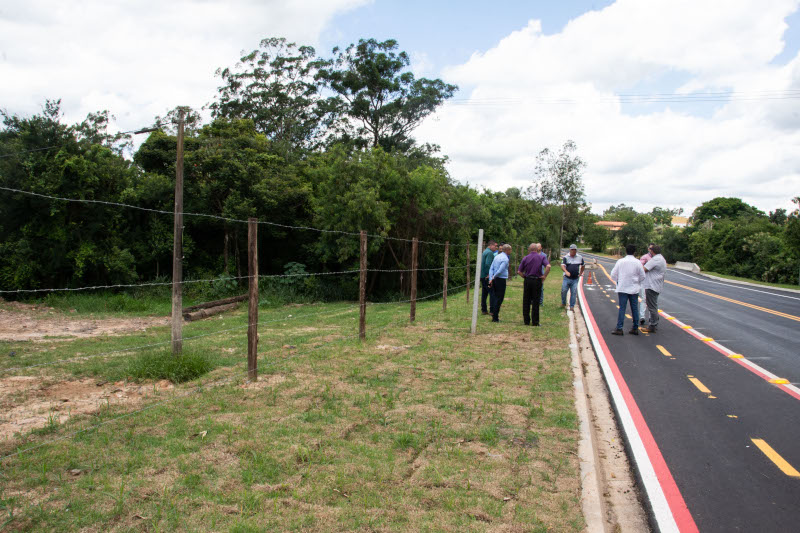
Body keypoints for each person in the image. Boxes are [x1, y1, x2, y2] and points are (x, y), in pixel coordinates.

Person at [610, 244, 646, 335]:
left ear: (626, 251)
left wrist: (619, 280)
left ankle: (619, 328)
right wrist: (636, 282)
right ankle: (635, 327)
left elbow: (613, 274)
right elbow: (643, 276)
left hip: (622, 287)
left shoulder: (620, 261)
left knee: (622, 308)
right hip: (634, 288)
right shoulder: (638, 262)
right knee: (634, 308)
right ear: (634, 252)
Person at [518, 243, 551, 326]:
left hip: (528, 279)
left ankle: (526, 321)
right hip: (537, 280)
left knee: (526, 300)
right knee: (536, 301)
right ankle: (535, 322)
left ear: (529, 249)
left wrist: (524, 276)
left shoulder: (525, 258)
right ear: (537, 249)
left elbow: (519, 271)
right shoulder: (541, 257)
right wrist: (544, 276)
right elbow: (548, 266)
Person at [640, 245, 667, 333]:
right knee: (654, 306)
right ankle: (654, 323)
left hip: (651, 285)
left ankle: (652, 325)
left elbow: (644, 269)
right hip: (657, 285)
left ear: (652, 251)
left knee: (652, 307)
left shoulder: (655, 260)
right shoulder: (662, 258)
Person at [488, 244, 511, 322]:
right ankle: (495, 317)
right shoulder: (505, 259)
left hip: (494, 279)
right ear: (507, 250)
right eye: (510, 250)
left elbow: (491, 268)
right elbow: (500, 270)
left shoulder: (497, 256)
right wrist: (494, 277)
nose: (510, 251)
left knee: (495, 296)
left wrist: (491, 278)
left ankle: (494, 315)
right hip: (500, 279)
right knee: (499, 298)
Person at [560, 244, 585, 312]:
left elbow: (583, 265)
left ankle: (572, 306)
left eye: (575, 250)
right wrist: (566, 271)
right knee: (564, 290)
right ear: (570, 250)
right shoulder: (566, 257)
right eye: (572, 250)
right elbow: (562, 266)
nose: (573, 251)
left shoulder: (579, 257)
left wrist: (580, 273)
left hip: (575, 278)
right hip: (567, 278)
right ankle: (563, 302)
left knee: (573, 292)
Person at [638, 243, 655, 325]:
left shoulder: (657, 258)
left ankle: (651, 318)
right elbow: (640, 267)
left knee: (652, 301)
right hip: (645, 281)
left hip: (654, 282)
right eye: (650, 248)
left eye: (653, 248)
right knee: (644, 299)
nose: (651, 250)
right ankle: (642, 317)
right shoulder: (645, 257)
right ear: (648, 249)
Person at [480, 241, 498, 315]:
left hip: (482, 275)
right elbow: (488, 264)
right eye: (495, 246)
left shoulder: (485, 252)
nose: (496, 248)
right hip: (486, 276)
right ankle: (492, 310)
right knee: (492, 293)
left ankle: (484, 309)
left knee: (484, 293)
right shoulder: (490, 253)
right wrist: (489, 274)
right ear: (490, 245)